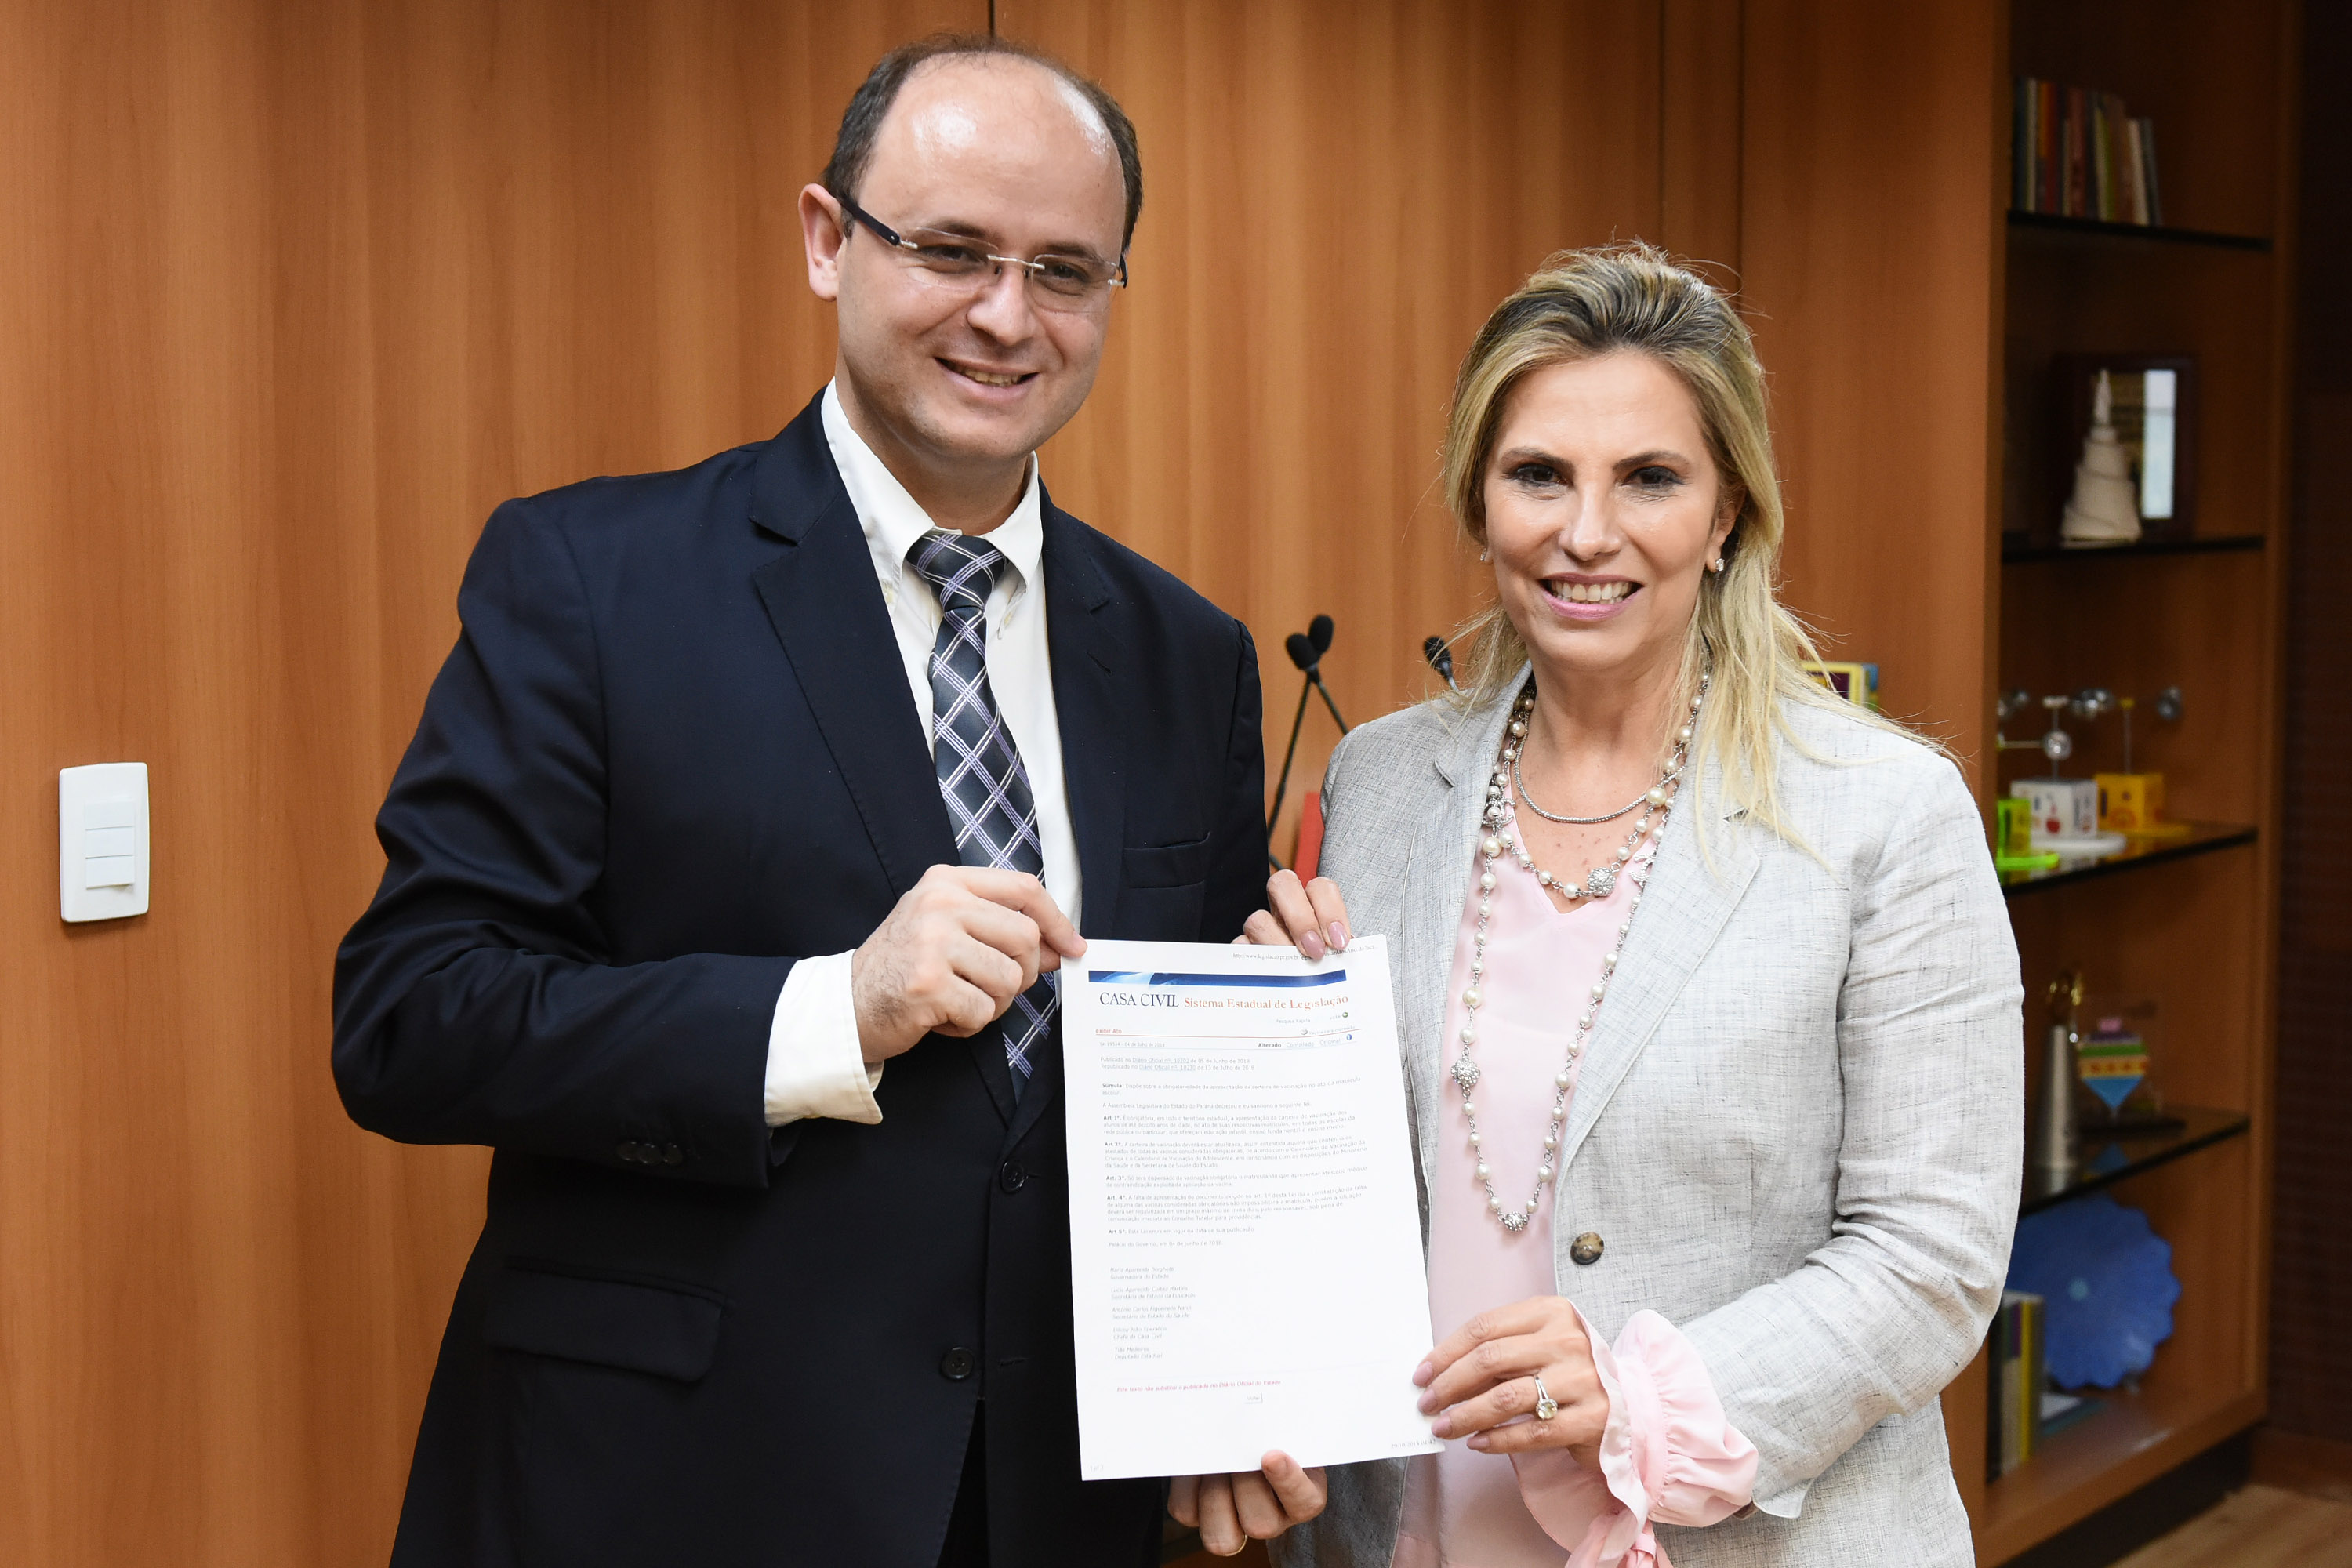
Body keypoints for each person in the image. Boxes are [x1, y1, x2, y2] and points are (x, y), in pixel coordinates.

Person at [333, 34, 1322, 1568]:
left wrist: (1261, 1061)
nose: (1007, 315)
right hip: (668, 1490)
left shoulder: (1189, 654)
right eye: (950, 250)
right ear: (825, 240)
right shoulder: (594, 582)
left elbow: (1148, 1111)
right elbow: (412, 1019)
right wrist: (834, 1010)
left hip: (1055, 1505)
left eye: (1067, 270)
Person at [1223, 245, 2023, 1566]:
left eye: (1650, 478)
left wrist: (1644, 1397)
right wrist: (1284, 1042)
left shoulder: (1886, 813)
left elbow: (1932, 1254)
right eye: (1539, 474)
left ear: (1727, 517)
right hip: (1410, 1529)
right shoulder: (1378, 784)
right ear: (1481, 504)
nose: (1586, 533)